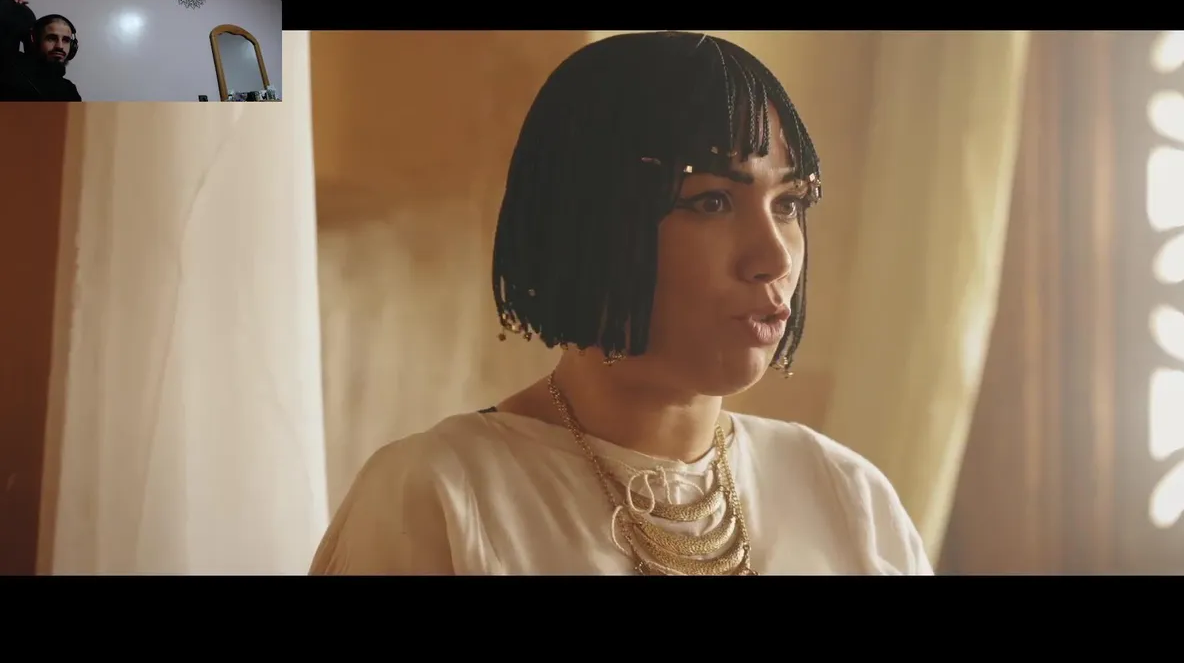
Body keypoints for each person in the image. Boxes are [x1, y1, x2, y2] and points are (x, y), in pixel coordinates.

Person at [310, 31, 933, 575]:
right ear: (590, 222)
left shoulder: (845, 495)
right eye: (712, 201)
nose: (774, 257)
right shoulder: (442, 496)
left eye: (789, 204)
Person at [0, 0, 82, 102]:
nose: (60, 46)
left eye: (66, 40)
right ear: (34, 39)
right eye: (52, 38)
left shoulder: (70, 90)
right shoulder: (8, 72)